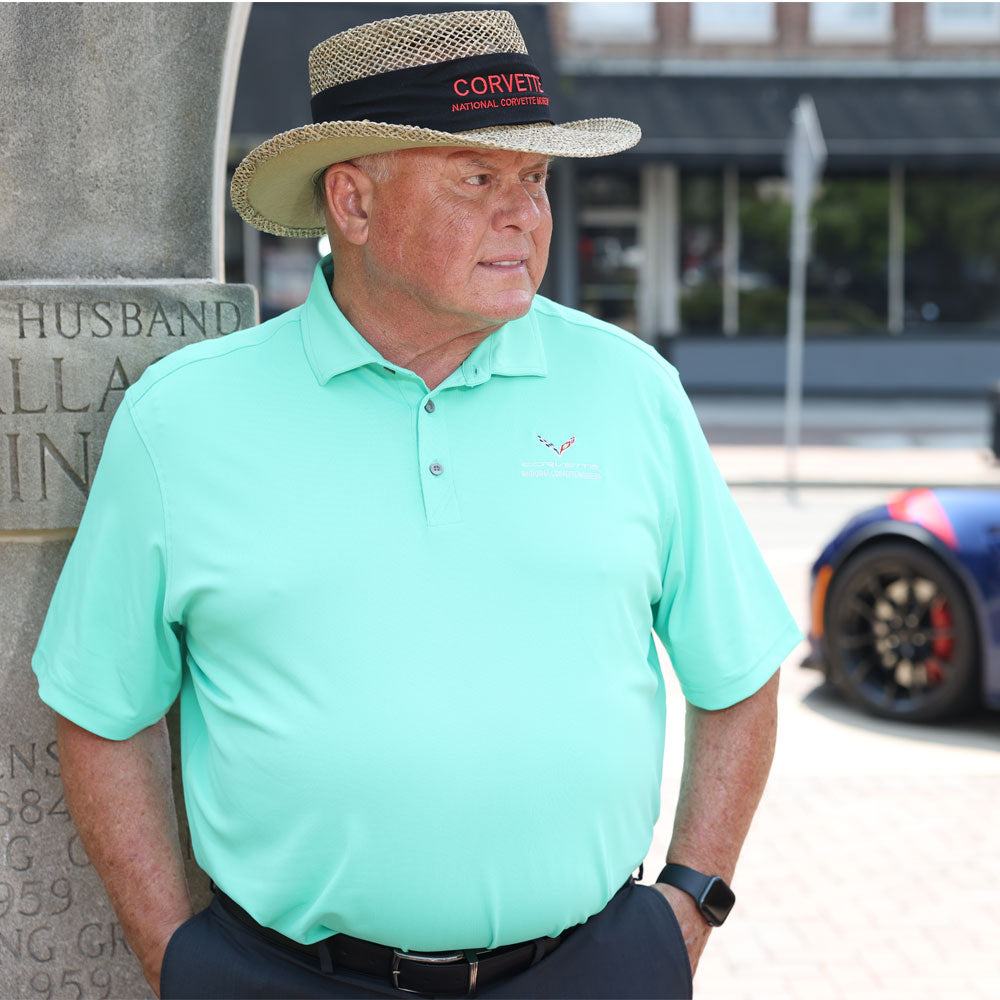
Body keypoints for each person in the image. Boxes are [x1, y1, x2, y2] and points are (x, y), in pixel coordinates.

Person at [32, 9, 801, 999]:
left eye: (533, 180)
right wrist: (174, 954)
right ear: (352, 203)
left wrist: (687, 909)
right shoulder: (181, 420)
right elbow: (101, 708)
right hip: (281, 979)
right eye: (478, 179)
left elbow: (738, 671)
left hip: (591, 972)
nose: (524, 214)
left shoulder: (632, 390)